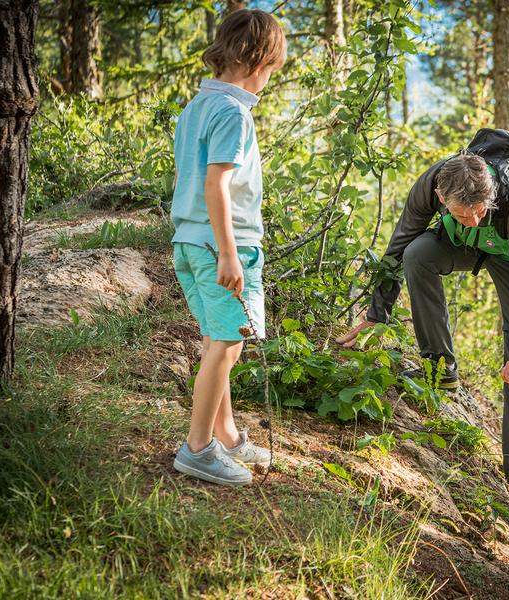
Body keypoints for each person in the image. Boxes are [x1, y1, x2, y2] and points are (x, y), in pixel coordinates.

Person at [336, 142, 509, 493]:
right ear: (440, 197)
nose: (474, 219)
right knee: (417, 253)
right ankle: (440, 370)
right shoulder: (429, 186)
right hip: (468, 244)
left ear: (490, 195)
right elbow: (398, 245)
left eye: (481, 212)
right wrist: (378, 314)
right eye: (462, 214)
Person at [170, 9, 286, 486]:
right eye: (272, 70)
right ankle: (197, 449)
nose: (269, 80)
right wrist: (229, 252)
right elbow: (217, 184)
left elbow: (188, 178)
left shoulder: (196, 106)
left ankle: (228, 436)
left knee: (220, 341)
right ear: (259, 62)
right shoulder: (234, 113)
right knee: (227, 341)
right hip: (221, 244)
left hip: (188, 240)